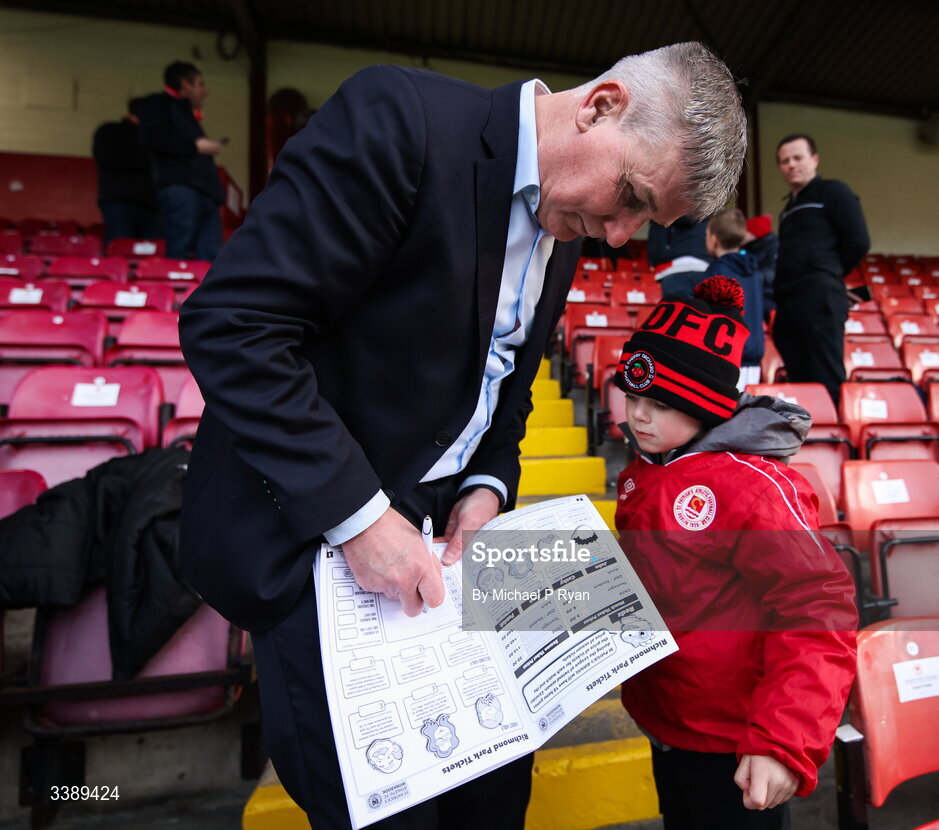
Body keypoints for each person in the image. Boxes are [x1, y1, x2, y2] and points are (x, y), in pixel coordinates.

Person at [177, 43, 747, 830]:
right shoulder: (400, 123)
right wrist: (362, 518)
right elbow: (233, 325)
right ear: (601, 104)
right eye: (630, 196)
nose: (620, 236)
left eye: (646, 222)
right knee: (391, 813)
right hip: (318, 536)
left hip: (447, 541)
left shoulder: (570, 222)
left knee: (497, 793)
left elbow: (504, 395)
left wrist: (486, 487)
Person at [613, 276, 858, 830]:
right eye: (632, 397)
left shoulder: (753, 488)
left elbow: (818, 611)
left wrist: (781, 741)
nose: (639, 417)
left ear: (706, 406)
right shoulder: (649, 467)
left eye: (659, 403)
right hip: (666, 715)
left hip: (738, 739)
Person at [773, 133, 869, 403]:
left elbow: (858, 241)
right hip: (789, 303)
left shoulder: (833, 191)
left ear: (814, 160)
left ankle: (834, 440)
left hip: (818, 296)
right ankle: (811, 440)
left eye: (797, 158)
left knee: (825, 377)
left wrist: (827, 274)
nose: (791, 165)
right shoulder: (788, 209)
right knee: (799, 382)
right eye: (784, 161)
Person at [660, 208, 766, 388]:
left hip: (728, 359)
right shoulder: (754, 273)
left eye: (706, 234)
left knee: (727, 414)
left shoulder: (715, 274)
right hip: (754, 359)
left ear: (714, 240)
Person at [137, 61, 225, 260]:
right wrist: (195, 147)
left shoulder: (186, 113)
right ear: (186, 85)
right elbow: (151, 139)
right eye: (200, 84)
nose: (205, 91)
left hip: (206, 194)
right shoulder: (157, 103)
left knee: (211, 257)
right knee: (180, 250)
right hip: (181, 189)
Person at [91, 98, 162, 246]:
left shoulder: (153, 138)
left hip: (152, 206)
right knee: (119, 248)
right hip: (119, 202)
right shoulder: (110, 131)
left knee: (153, 254)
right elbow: (108, 157)